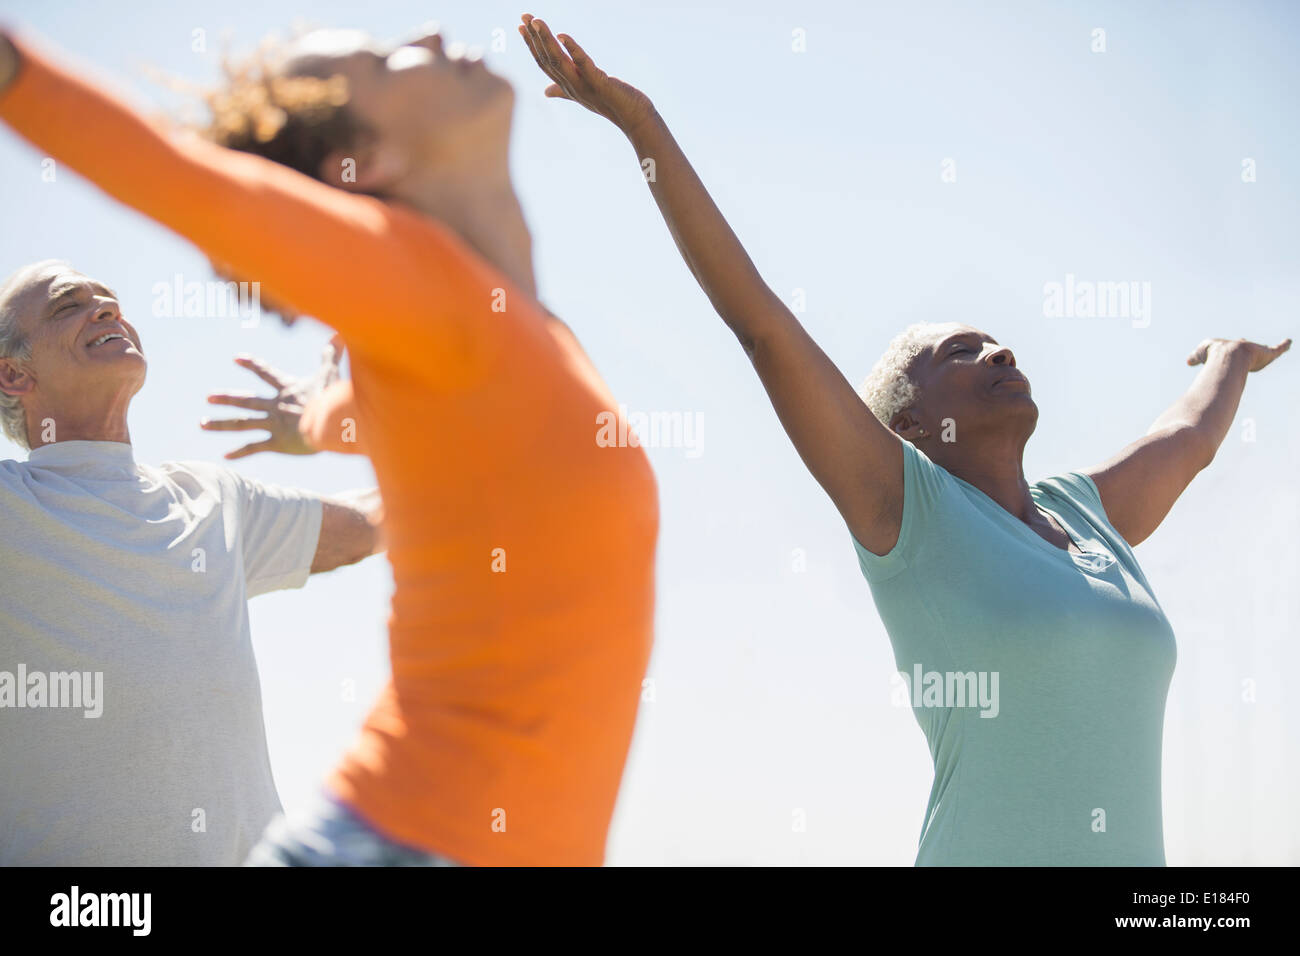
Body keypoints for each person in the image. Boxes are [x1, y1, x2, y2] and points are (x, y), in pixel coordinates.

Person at [516, 14, 1292, 865]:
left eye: (995, 341)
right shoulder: (908, 511)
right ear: (910, 424)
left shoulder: (1087, 514)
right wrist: (643, 129)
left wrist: (1230, 358)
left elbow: (1187, 436)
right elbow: (763, 327)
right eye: (958, 353)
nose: (998, 350)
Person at [0, 23, 659, 866]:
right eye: (383, 64)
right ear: (370, 162)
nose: (424, 33)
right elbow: (167, 173)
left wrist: (320, 421)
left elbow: (448, 429)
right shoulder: (413, 276)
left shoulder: (512, 328)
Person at [0, 259, 383, 865]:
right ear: (14, 375)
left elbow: (376, 522)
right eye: (68, 305)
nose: (106, 308)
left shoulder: (210, 499)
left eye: (110, 299)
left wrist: (338, 423)